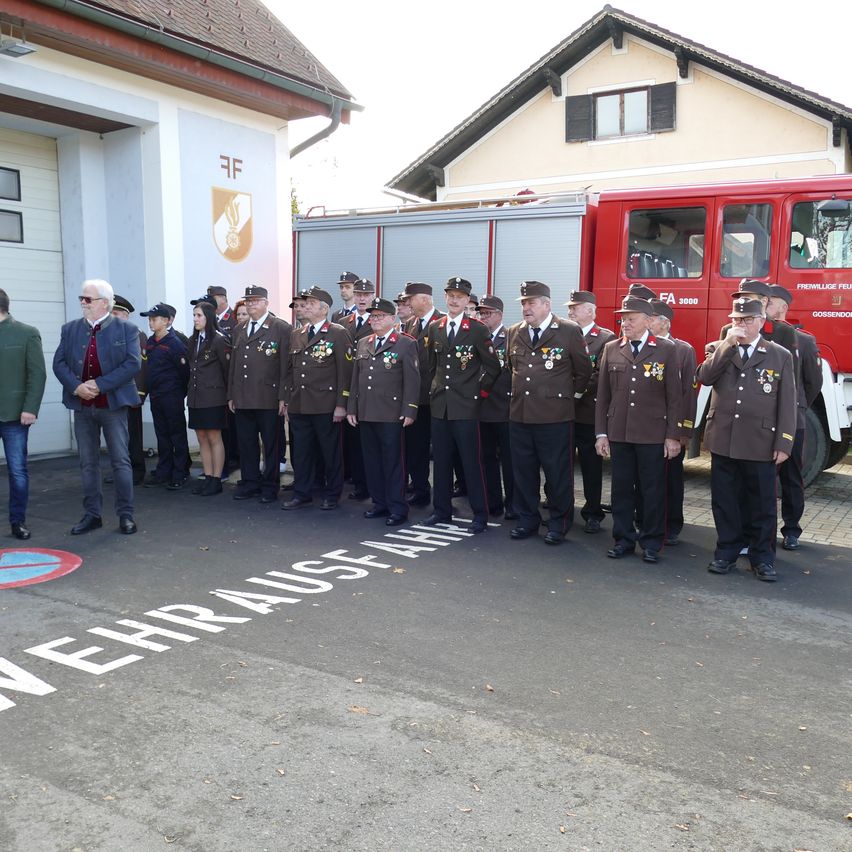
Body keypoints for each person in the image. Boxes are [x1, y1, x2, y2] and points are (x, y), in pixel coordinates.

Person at [696, 298, 797, 582]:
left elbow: (787, 404)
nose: (740, 325)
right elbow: (704, 377)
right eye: (737, 320)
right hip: (724, 439)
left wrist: (784, 442)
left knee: (762, 503)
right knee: (724, 500)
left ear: (761, 322)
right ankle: (726, 552)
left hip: (760, 441)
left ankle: (762, 558)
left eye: (747, 320)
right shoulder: (719, 349)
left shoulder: (779, 355)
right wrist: (727, 344)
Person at [594, 296, 681, 563]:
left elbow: (674, 397)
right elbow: (603, 395)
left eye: (631, 318)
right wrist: (601, 433)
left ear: (647, 320)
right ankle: (623, 539)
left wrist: (672, 436)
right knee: (621, 489)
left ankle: (652, 541)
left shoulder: (666, 350)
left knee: (652, 489)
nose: (625, 322)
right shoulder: (611, 348)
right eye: (623, 317)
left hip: (651, 433)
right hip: (619, 431)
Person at [53, 278, 141, 535]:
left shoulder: (126, 330)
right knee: (87, 462)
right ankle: (92, 514)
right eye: (82, 298)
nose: (82, 303)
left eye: (87, 299)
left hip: (112, 406)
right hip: (82, 407)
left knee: (120, 461)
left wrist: (100, 385)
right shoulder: (70, 329)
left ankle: (126, 515)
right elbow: (59, 364)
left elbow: (132, 364)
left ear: (104, 302)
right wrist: (76, 387)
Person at [506, 281, 592, 544]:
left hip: (555, 417)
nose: (526, 308)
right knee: (523, 472)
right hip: (520, 416)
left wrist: (566, 398)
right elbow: (512, 368)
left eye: (531, 303)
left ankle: (559, 522)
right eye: (523, 303)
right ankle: (528, 519)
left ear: (546, 304)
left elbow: (583, 372)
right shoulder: (514, 332)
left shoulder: (567, 331)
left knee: (557, 474)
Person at [423, 276, 501, 534]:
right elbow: (432, 366)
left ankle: (480, 513)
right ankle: (441, 511)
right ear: (445, 298)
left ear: (468, 300)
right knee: (442, 462)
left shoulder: (477, 329)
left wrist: (479, 394)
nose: (454, 300)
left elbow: (493, 367)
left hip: (466, 407)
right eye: (450, 296)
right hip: (440, 406)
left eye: (459, 297)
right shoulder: (436, 327)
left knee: (471, 462)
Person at [347, 297, 419, 525]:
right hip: (366, 411)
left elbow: (412, 380)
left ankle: (397, 507)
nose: (374, 320)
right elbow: (355, 379)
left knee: (393, 462)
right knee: (372, 461)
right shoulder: (363, 342)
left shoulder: (405, 343)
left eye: (379, 316)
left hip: (391, 413)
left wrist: (410, 410)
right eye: (372, 316)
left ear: (392, 318)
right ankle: (379, 503)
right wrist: (352, 407)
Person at [282, 286, 352, 511]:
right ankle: (302, 493)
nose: (305, 307)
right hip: (300, 403)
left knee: (329, 452)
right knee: (301, 452)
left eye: (310, 303)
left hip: (325, 404)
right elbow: (290, 370)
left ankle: (332, 493)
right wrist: (286, 399)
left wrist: (342, 404)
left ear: (323, 309)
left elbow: (345, 372)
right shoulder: (298, 333)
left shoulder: (337, 333)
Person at [766, 284, 822, 550]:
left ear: (783, 308)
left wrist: (797, 407)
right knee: (761, 477)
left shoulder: (805, 340)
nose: (765, 304)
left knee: (790, 476)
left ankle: (791, 530)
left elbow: (813, 382)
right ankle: (760, 529)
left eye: (770, 301)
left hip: (793, 421)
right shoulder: (758, 336)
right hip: (762, 421)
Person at [228, 285, 292, 503]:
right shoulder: (239, 329)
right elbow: (234, 366)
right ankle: (250, 482)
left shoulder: (280, 328)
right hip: (244, 397)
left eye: (256, 300)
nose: (251, 304)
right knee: (246, 443)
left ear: (266, 302)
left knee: (271, 445)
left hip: (268, 398)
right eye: (248, 300)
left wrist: (284, 396)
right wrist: (232, 395)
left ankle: (270, 485)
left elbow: (286, 365)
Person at [565, 291, 616, 534]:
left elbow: (599, 375)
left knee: (590, 467)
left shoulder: (605, 338)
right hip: (562, 412)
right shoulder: (563, 333)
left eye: (575, 308)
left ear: (590, 310)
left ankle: (593, 512)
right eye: (569, 308)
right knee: (560, 464)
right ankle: (561, 506)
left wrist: (572, 392)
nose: (570, 312)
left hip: (587, 413)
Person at [648, 299, 697, 546]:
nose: (647, 321)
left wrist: (682, 431)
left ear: (664, 323)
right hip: (646, 427)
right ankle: (647, 521)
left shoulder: (682, 350)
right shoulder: (642, 346)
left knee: (671, 479)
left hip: (671, 428)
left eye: (651, 318)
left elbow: (688, 393)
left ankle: (672, 524)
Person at [0, 288, 46, 540]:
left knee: (17, 471)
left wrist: (30, 408)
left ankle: (18, 521)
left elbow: (37, 374)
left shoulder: (26, 333)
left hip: (15, 417)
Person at [139, 303, 190, 490]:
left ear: (166, 321)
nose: (151, 323)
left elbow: (185, 371)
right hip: (156, 396)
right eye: (150, 319)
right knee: (162, 435)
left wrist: (178, 393)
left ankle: (180, 472)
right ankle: (164, 471)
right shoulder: (151, 342)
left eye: (154, 319)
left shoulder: (175, 343)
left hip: (172, 396)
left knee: (177, 434)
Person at [402, 281, 445, 506]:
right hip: (416, 397)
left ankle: (443, 495)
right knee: (415, 447)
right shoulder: (410, 324)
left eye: (410, 298)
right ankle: (419, 488)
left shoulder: (443, 322)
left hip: (437, 397)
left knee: (440, 451)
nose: (407, 302)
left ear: (425, 299)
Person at [475, 295, 517, 519]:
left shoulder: (510, 336)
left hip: (505, 408)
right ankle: (493, 502)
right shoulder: (475, 337)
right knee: (487, 460)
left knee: (510, 462)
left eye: (487, 313)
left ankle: (513, 504)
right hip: (482, 409)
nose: (483, 317)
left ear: (500, 315)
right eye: (481, 313)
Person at [187, 297, 231, 496]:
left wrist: (227, 395)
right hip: (196, 397)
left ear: (209, 317)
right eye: (194, 316)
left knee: (214, 437)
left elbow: (226, 369)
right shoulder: (193, 340)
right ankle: (207, 476)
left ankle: (216, 478)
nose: (195, 319)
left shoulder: (219, 339)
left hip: (213, 397)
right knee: (202, 437)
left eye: (199, 316)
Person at [340, 278, 375, 501]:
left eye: (366, 294)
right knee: (353, 441)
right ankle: (359, 484)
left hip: (371, 388)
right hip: (348, 385)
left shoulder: (381, 320)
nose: (362, 298)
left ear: (372, 296)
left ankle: (373, 486)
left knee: (371, 444)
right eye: (359, 294)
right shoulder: (343, 321)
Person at [110, 295, 148, 485]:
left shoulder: (136, 334)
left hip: (130, 394)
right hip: (112, 395)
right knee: (116, 437)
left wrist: (138, 394)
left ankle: (137, 471)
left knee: (133, 436)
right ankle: (120, 471)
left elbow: (140, 367)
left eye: (116, 313)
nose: (112, 317)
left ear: (125, 315)